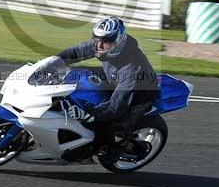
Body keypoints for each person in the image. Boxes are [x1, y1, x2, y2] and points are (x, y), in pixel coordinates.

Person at [56, 16, 159, 160]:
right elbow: (74, 53)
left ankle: (116, 150)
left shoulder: (132, 67)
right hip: (113, 78)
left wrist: (89, 113)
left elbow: (116, 105)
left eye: (105, 42)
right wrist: (52, 62)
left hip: (138, 95)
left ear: (118, 42)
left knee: (108, 124)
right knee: (76, 75)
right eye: (97, 40)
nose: (99, 46)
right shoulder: (102, 44)